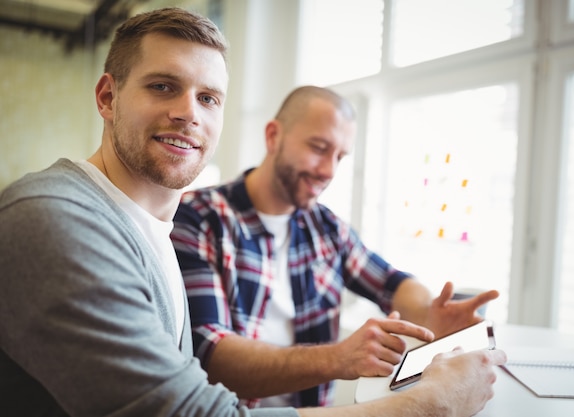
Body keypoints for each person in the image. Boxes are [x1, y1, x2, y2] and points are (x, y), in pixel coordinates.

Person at [0, 7, 505, 417]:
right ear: (108, 97)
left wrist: (428, 313)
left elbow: (389, 279)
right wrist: (428, 404)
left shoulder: (159, 227)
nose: (188, 112)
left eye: (209, 98)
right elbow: (201, 390)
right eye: (162, 86)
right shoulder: (55, 219)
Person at [171, 85, 503, 409]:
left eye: (339, 156)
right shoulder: (198, 218)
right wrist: (340, 357)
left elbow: (392, 282)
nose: (329, 170)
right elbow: (212, 357)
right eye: (318, 147)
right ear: (273, 136)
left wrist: (428, 312)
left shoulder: (326, 228)